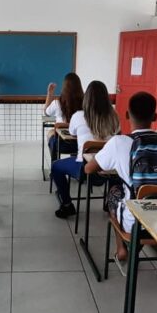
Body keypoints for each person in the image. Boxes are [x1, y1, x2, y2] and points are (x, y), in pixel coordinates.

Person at [85, 91, 157, 263]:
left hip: (135, 221)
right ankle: (140, 245)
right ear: (155, 116)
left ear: (127, 115)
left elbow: (89, 169)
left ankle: (122, 248)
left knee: (114, 193)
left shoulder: (119, 142)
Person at [51, 80, 119, 218]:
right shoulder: (114, 117)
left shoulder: (78, 116)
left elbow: (73, 133)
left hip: (85, 167)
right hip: (109, 168)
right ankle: (109, 202)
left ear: (86, 98)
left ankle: (67, 204)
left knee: (56, 166)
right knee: (116, 165)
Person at [45, 72, 84, 158]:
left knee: (50, 133)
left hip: (62, 145)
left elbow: (46, 113)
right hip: (82, 144)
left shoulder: (57, 103)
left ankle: (55, 162)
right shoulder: (85, 103)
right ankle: (74, 159)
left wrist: (50, 93)